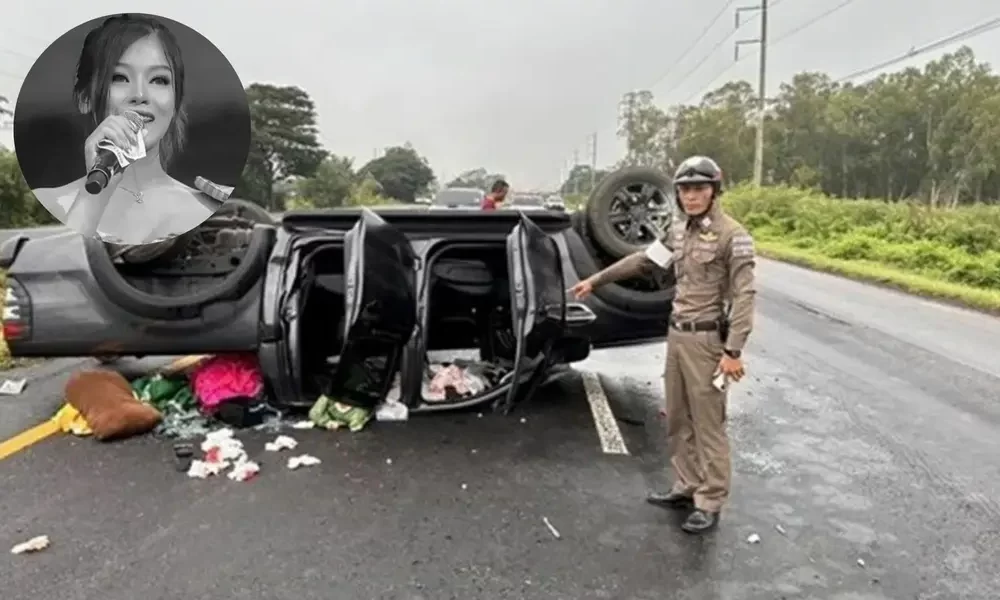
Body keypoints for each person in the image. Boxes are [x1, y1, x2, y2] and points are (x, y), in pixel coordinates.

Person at [569, 155, 756, 534]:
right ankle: (686, 486)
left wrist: (733, 351)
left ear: (714, 191)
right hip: (678, 336)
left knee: (709, 424)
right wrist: (596, 281)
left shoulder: (732, 236)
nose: (691, 196)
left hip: (707, 340)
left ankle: (710, 500)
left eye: (699, 188)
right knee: (677, 417)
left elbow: (745, 295)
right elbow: (643, 262)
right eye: (685, 190)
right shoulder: (678, 232)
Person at [30, 13, 233, 246]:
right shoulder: (44, 205)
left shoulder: (213, 207)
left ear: (175, 102)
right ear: (85, 98)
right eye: (119, 77)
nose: (140, 95)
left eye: (159, 80)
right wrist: (92, 198)